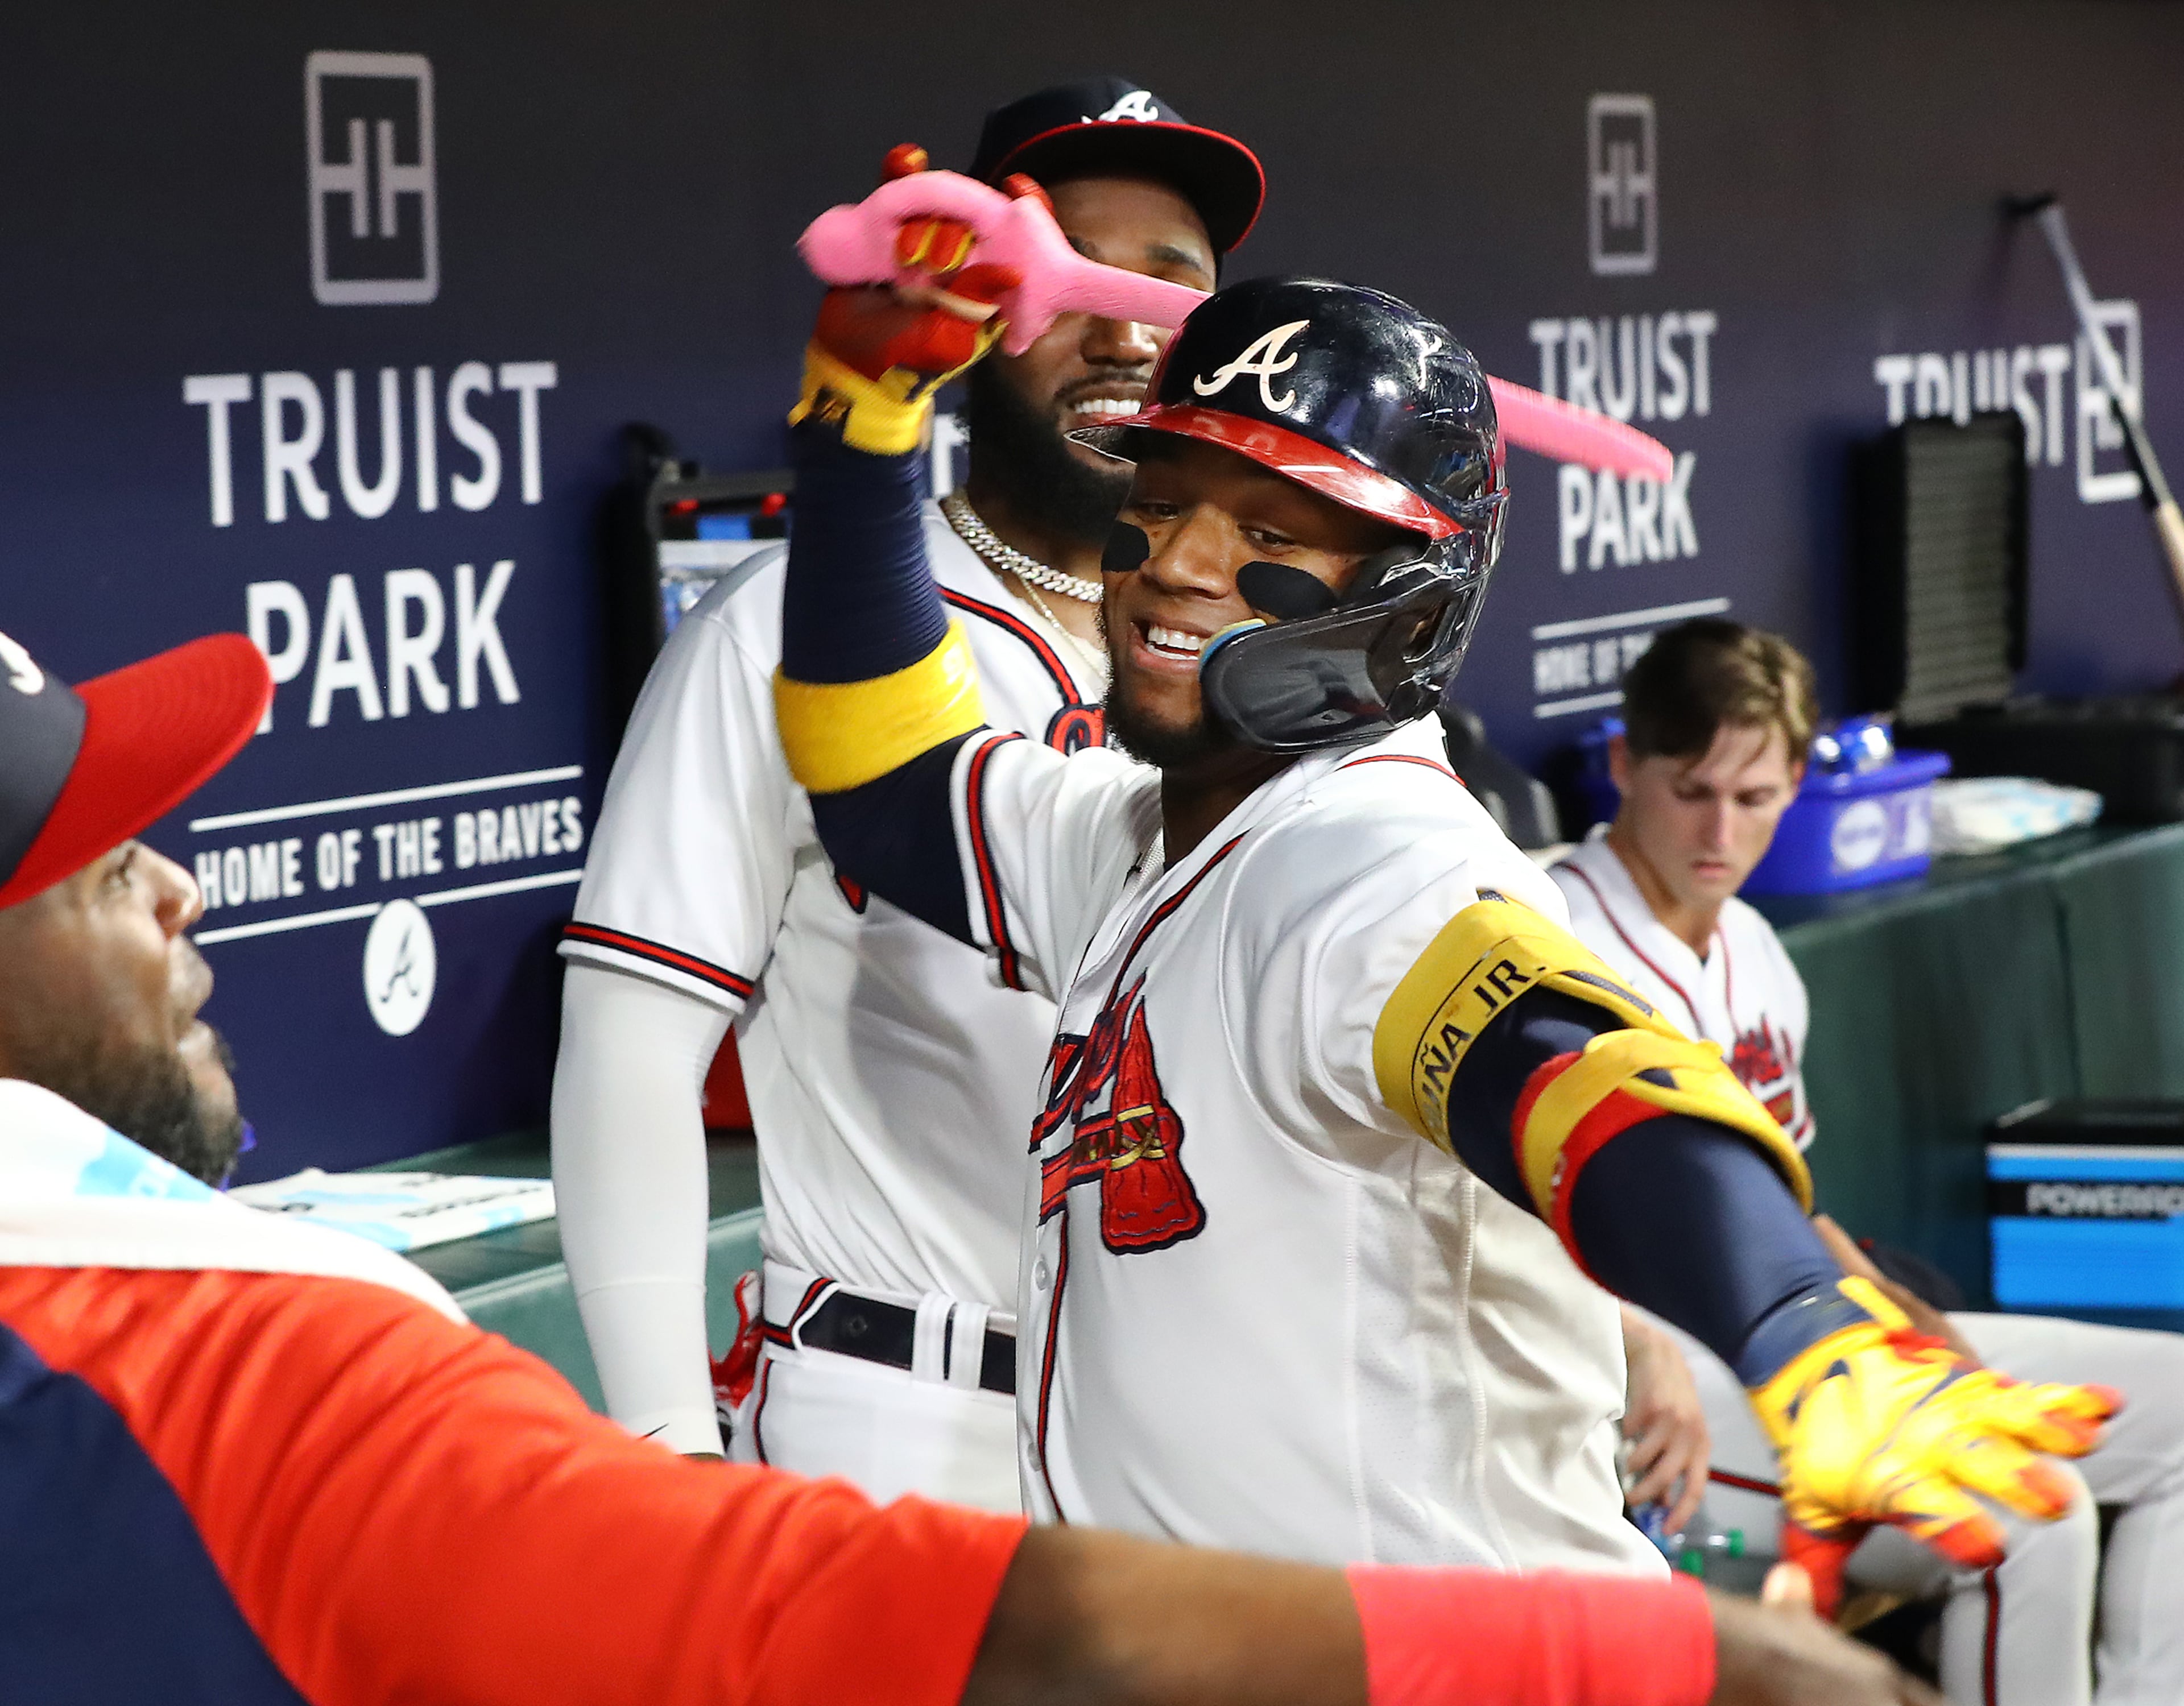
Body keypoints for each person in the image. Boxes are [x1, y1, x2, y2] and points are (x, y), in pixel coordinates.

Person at [0, 627, 1940, 1706]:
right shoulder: (233, 1368)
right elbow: (1034, 1643)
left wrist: (1776, 1296)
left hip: (1229, 1543)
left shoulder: (1342, 846)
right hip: (998, 1483)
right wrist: (1679, 1664)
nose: (181, 875)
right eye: (93, 859)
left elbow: (1574, 1076)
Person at [761, 193, 2115, 1585]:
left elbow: (1577, 1075)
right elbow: (882, 787)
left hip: (1468, 1659)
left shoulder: (1366, 864)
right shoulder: (1144, 840)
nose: (1174, 559)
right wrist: (862, 423)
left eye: (1266, 532)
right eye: (1160, 503)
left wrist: (1797, 1321)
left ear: (1408, 600)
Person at [551, 78, 1259, 1498]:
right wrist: (666, 1456)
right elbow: (631, 1058)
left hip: (1211, 1428)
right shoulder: (781, 629)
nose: (1123, 327)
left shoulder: (1282, 659)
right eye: (1071, 274)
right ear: (977, 301)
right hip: (909, 1412)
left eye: (1169, 284)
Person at [1552, 616, 2184, 1706]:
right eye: (1692, 789)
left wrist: (1904, 1316)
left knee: (2170, 1412)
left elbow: (1779, 1208)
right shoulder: (1548, 931)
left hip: (1791, 1338)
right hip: (1636, 1384)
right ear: (1623, 765)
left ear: (1797, 782)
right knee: (2027, 1514)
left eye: (1754, 799)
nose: (1720, 830)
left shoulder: (1753, 950)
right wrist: (1637, 1345)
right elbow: (1480, 1212)